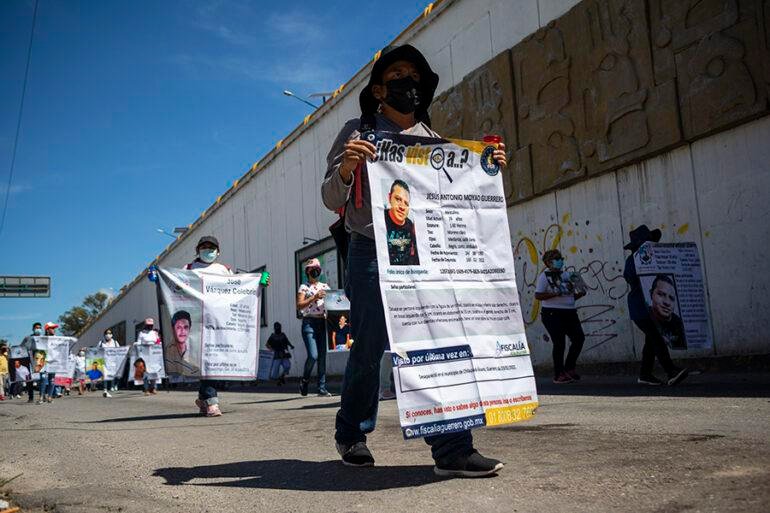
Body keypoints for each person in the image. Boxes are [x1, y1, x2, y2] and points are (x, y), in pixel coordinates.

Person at [321, 44, 508, 476]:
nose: (409, 82)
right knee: (370, 346)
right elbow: (330, 196)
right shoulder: (358, 131)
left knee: (435, 343)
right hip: (371, 248)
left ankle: (453, 450)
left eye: (415, 77)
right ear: (379, 90)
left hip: (426, 257)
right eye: (399, 75)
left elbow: (465, 201)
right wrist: (348, 167)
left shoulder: (434, 143)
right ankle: (352, 433)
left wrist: (490, 170)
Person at [184, 235, 270, 416]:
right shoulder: (189, 268)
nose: (208, 250)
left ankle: (204, 398)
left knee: (213, 361)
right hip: (198, 322)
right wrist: (158, 278)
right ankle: (212, 401)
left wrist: (258, 283)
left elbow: (238, 289)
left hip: (219, 321)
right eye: (204, 247)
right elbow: (175, 284)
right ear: (198, 250)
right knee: (207, 361)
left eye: (211, 247)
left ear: (218, 251)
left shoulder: (224, 269)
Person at [623, 225, 689, 386]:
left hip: (648, 309)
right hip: (641, 308)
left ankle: (645, 374)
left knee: (651, 341)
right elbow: (630, 278)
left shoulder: (657, 257)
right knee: (656, 337)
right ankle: (670, 370)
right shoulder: (632, 260)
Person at [534, 249, 587, 383]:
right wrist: (554, 294)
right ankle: (559, 374)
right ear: (548, 262)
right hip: (552, 313)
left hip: (569, 312)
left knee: (579, 338)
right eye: (556, 259)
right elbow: (538, 295)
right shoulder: (544, 277)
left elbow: (570, 295)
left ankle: (569, 367)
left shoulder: (566, 275)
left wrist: (580, 292)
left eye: (561, 258)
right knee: (559, 343)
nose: (560, 261)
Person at [296, 258, 331, 397]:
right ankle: (305, 380)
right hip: (309, 322)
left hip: (322, 322)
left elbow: (333, 303)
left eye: (317, 269)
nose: (315, 271)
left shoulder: (325, 286)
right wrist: (314, 297)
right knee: (313, 355)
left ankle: (321, 387)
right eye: (312, 269)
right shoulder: (304, 287)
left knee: (322, 356)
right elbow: (299, 305)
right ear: (308, 272)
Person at [385, 180, 420, 265]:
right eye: (398, 199)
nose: (402, 207)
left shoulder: (411, 226)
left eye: (406, 203)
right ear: (390, 198)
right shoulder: (380, 219)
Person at [648, 275, 686, 350]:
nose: (667, 302)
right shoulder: (645, 316)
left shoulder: (679, 324)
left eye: (671, 298)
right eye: (661, 294)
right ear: (651, 294)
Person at [134, 319, 161, 395]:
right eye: (148, 325)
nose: (150, 326)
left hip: (153, 355)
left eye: (151, 325)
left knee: (154, 371)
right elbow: (139, 342)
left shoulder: (154, 333)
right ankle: (146, 389)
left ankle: (153, 388)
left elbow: (157, 341)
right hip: (145, 355)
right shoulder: (141, 333)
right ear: (145, 325)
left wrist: (159, 344)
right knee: (145, 371)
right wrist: (136, 344)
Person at [21, 322, 43, 402]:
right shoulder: (27, 338)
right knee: (29, 379)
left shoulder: (43, 338)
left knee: (42, 379)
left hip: (40, 361)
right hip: (29, 361)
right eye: (36, 328)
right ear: (33, 329)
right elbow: (21, 348)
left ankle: (42, 396)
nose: (38, 329)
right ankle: (31, 397)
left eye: (40, 328)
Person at [97, 328, 119, 397]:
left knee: (112, 375)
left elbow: (120, 350)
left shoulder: (115, 342)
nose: (108, 335)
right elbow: (96, 351)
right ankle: (105, 390)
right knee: (105, 376)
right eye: (106, 333)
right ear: (104, 335)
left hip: (113, 362)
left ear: (112, 335)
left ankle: (113, 385)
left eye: (109, 333)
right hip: (104, 361)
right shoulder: (101, 343)